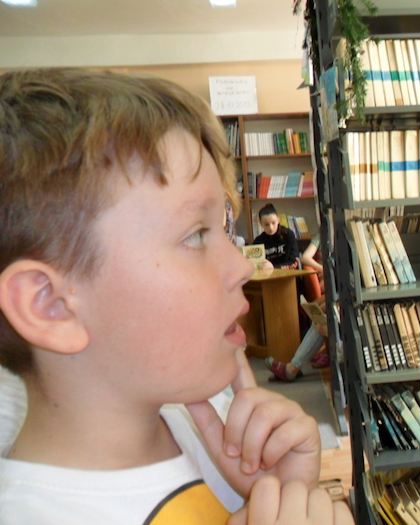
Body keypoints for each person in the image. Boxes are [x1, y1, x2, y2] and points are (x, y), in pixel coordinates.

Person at [0, 68, 353, 525]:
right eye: (195, 235)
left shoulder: (206, 435)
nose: (241, 267)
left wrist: (283, 493)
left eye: (222, 227)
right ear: (51, 307)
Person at [266, 234, 329, 382]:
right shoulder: (324, 237)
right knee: (319, 317)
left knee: (322, 323)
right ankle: (294, 366)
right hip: (338, 302)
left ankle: (292, 368)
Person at [253, 203, 300, 270]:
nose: (271, 228)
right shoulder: (258, 241)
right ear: (261, 223)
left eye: (273, 223)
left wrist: (273, 267)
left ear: (278, 220)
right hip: (267, 274)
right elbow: (256, 265)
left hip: (288, 274)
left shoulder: (288, 234)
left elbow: (294, 262)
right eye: (266, 224)